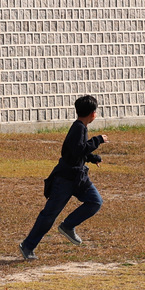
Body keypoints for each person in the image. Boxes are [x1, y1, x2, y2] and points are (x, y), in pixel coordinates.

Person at [19, 95, 106, 260]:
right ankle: (28, 245)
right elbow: (78, 149)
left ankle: (68, 225)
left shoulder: (80, 127)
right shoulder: (78, 128)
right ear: (93, 114)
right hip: (65, 180)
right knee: (49, 215)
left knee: (95, 201)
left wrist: (92, 158)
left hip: (78, 178)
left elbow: (75, 152)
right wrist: (98, 140)